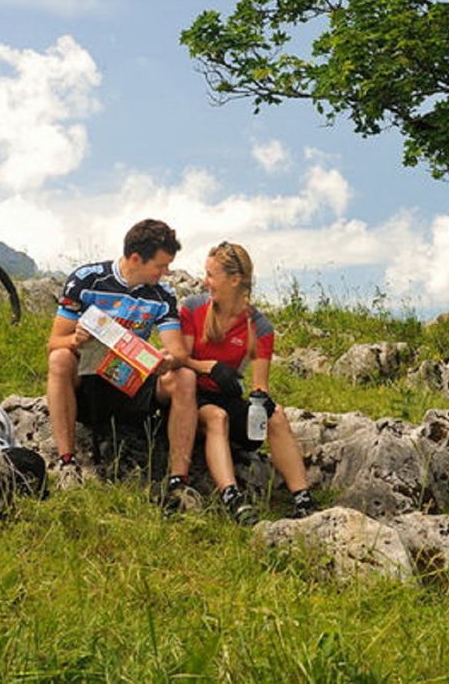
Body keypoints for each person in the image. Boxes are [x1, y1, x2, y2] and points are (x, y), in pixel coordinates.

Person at [46, 218, 201, 510]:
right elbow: (54, 342)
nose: (166, 272)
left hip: (132, 383)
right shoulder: (86, 279)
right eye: (161, 265)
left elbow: (178, 351)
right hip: (89, 382)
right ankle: (67, 463)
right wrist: (75, 340)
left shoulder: (162, 294)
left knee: (185, 378)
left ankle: (179, 483)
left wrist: (168, 361)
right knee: (60, 358)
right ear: (135, 259)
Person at [180, 241, 316, 524]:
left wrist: (260, 397)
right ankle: (232, 499)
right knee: (217, 417)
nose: (205, 282)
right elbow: (179, 361)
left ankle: (303, 499)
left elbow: (260, 384)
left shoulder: (260, 326)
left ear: (234, 279)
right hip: (191, 397)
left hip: (228, 396)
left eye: (210, 275)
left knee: (275, 414)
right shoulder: (193, 308)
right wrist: (210, 368)